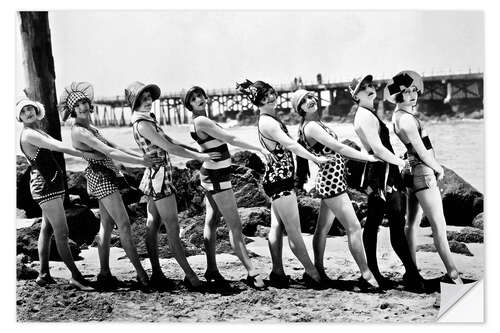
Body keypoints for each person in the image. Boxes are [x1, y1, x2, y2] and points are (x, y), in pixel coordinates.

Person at [125, 81, 220, 291]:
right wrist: (200, 155)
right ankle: (191, 277)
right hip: (159, 178)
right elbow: (168, 147)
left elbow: (171, 141)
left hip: (154, 175)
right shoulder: (143, 123)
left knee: (153, 224)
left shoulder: (145, 120)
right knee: (172, 228)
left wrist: (195, 149)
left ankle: (157, 273)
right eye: (143, 99)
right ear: (135, 103)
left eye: (149, 97)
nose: (148, 101)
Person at [236, 79, 329, 289]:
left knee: (276, 227)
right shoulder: (268, 122)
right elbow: (290, 145)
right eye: (265, 96)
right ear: (258, 101)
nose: (271, 97)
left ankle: (277, 271)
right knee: (294, 231)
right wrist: (316, 159)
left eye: (271, 92)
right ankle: (313, 274)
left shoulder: (268, 119)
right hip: (280, 183)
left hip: (277, 180)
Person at [61, 82, 152, 291]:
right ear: (73, 110)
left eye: (85, 102)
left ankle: (104, 273)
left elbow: (114, 146)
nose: (83, 107)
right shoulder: (79, 131)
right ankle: (141, 273)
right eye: (78, 105)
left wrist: (140, 156)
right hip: (100, 179)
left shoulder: (91, 128)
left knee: (107, 226)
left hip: (105, 176)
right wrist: (141, 163)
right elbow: (107, 152)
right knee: (125, 225)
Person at [291, 89, 380, 290]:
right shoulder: (311, 126)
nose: (310, 101)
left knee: (322, 229)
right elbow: (338, 147)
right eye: (304, 101)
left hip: (331, 181)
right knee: (354, 228)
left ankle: (317, 270)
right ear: (300, 109)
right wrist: (369, 157)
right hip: (332, 183)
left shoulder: (314, 124)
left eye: (310, 97)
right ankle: (366, 274)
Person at [183, 86, 267, 288]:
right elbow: (231, 139)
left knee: (211, 221)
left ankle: (211, 269)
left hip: (212, 174)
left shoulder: (199, 121)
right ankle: (251, 271)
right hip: (217, 177)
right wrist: (259, 149)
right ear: (189, 105)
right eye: (193, 98)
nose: (199, 99)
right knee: (235, 226)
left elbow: (212, 143)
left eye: (201, 95)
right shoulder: (201, 121)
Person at [350, 74, 426, 291]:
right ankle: (410, 275)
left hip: (379, 172)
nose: (370, 89)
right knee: (393, 224)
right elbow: (378, 148)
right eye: (363, 88)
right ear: (356, 95)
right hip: (383, 173)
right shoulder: (364, 116)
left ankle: (378, 273)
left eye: (371, 85)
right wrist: (399, 163)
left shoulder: (366, 113)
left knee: (376, 223)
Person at [386, 70, 463, 284]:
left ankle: (412, 270)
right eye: (406, 92)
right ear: (397, 96)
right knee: (439, 225)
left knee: (412, 223)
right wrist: (438, 168)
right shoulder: (408, 120)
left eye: (413, 90)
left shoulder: (397, 116)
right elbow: (421, 149)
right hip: (422, 171)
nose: (412, 95)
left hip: (411, 172)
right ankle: (453, 273)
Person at [17, 98, 97, 290]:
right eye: (23, 111)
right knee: (62, 233)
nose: (28, 112)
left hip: (52, 184)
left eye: (31, 108)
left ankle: (43, 274)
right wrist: (89, 154)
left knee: (47, 229)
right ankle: (76, 276)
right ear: (19, 117)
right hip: (45, 187)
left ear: (37, 111)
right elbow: (58, 147)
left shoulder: (38, 131)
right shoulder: (29, 135)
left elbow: (55, 142)